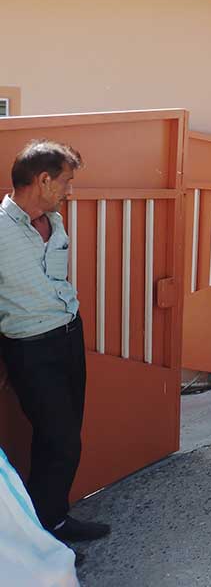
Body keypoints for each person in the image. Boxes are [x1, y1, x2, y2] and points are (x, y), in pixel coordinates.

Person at [0, 141, 111, 551]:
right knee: (59, 439)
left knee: (63, 437)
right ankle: (42, 541)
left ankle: (54, 521)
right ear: (44, 180)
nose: (70, 191)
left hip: (68, 337)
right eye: (66, 181)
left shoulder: (55, 221)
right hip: (30, 349)